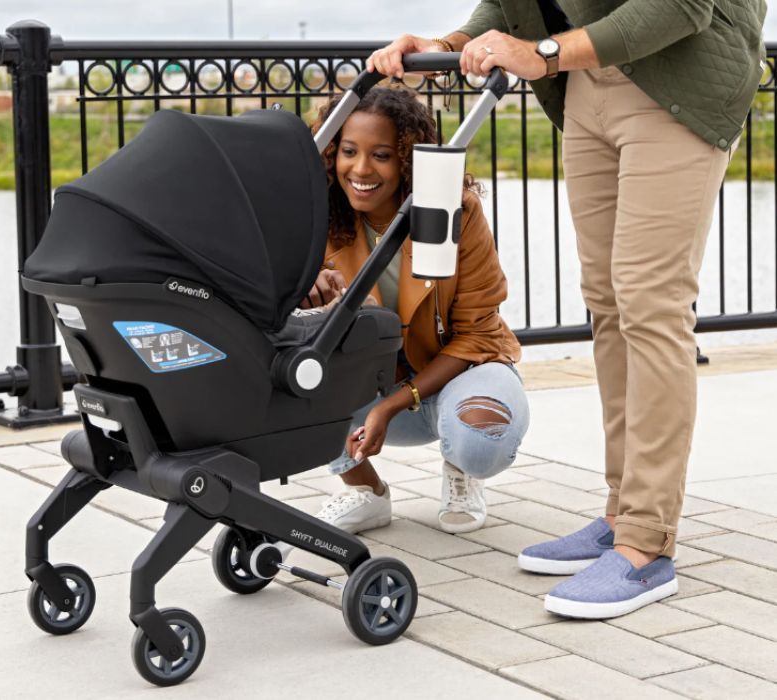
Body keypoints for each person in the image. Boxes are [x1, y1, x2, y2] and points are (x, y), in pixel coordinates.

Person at [366, 0, 766, 619]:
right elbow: (510, 5)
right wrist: (451, 41)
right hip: (587, 88)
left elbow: (682, 6)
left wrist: (543, 53)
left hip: (673, 86)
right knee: (608, 307)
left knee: (650, 306)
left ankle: (648, 542)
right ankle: (620, 512)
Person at [306, 86, 529, 535]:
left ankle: (461, 468)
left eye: (382, 155)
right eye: (349, 151)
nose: (361, 169)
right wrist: (303, 292)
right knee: (295, 386)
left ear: (408, 160)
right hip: (370, 382)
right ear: (332, 153)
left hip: (459, 372)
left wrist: (390, 406)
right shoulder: (317, 216)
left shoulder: (456, 212)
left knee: (481, 439)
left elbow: (479, 334)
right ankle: (365, 492)